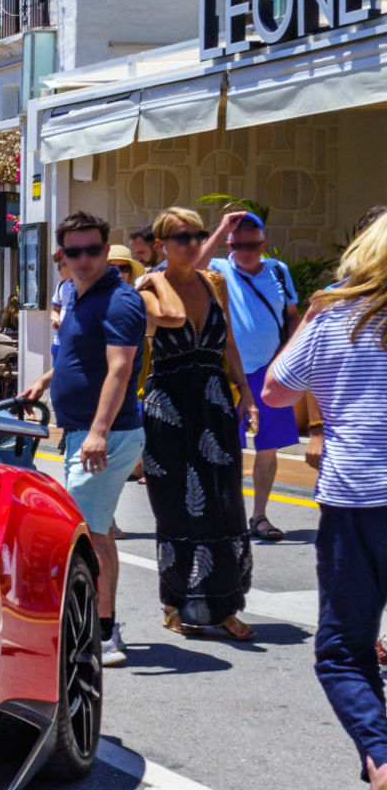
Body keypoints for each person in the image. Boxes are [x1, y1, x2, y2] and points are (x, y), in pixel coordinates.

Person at [261, 213, 387, 790]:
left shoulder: (334, 322)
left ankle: (382, 760)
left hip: (355, 498)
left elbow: (277, 392)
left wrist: (309, 320)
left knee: (344, 650)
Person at [22, 211, 154, 668]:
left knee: (91, 534)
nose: (83, 258)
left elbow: (120, 368)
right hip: (83, 433)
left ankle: (105, 630)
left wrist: (97, 432)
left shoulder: (119, 300)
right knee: (92, 528)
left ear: (105, 250)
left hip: (107, 436)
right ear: (62, 255)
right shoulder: (78, 296)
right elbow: (79, 355)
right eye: (73, 251)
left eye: (92, 250)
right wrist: (44, 381)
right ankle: (92, 623)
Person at [138, 205, 257, 640]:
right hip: (169, 406)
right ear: (161, 245)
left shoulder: (215, 283)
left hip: (213, 402)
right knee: (175, 505)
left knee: (225, 501)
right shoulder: (148, 289)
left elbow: (227, 340)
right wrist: (156, 275)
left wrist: (244, 388)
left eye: (197, 236)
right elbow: (166, 320)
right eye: (181, 237)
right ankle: (175, 601)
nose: (191, 244)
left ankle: (226, 604)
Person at [200, 210, 301, 542]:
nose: (244, 251)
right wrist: (220, 229)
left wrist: (289, 357)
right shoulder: (219, 269)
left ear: (263, 244)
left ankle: (259, 516)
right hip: (228, 374)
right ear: (229, 243)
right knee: (227, 446)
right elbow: (192, 268)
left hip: (270, 372)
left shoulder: (278, 271)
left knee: (268, 448)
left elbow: (292, 317)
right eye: (237, 244)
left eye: (252, 245)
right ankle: (227, 516)